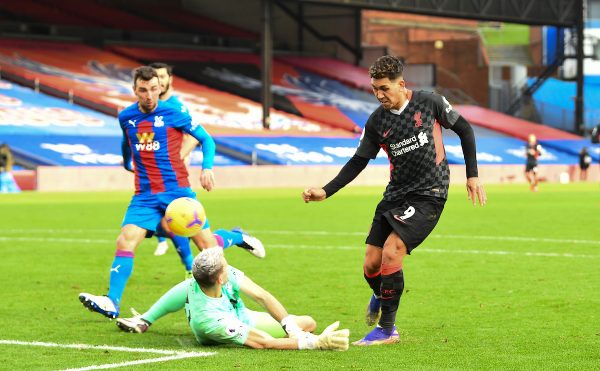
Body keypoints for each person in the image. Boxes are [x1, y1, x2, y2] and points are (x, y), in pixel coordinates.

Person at [302, 55, 486, 346]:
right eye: (375, 88)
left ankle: (388, 330)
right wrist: (327, 190)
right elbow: (358, 161)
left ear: (402, 84)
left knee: (392, 251)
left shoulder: (430, 103)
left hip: (430, 192)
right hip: (396, 194)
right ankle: (380, 295)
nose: (379, 95)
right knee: (371, 265)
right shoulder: (377, 121)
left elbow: (465, 130)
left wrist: (472, 175)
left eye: (385, 88)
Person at [79, 66, 261, 320]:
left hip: (177, 192)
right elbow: (126, 141)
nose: (149, 95)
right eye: (143, 90)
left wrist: (206, 168)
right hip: (144, 195)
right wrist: (125, 161)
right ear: (135, 90)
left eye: (154, 89)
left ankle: (236, 240)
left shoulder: (174, 113)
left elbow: (207, 139)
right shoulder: (126, 117)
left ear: (160, 88)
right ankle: (112, 301)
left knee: (208, 248)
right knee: (125, 239)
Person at [146, 62, 264, 268]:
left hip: (174, 179)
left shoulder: (175, 107)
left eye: (162, 77)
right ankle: (194, 266)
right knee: (167, 227)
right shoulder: (146, 110)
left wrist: (181, 156)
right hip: (154, 179)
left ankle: (233, 238)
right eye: (155, 77)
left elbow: (196, 137)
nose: (159, 81)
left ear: (169, 80)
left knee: (189, 232)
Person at [116, 247, 350, 351]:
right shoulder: (209, 320)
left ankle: (145, 320)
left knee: (306, 323)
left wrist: (291, 327)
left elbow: (262, 295)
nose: (230, 268)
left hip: (242, 314)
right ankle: (146, 319)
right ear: (219, 279)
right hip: (231, 325)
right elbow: (264, 343)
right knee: (279, 337)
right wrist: (315, 343)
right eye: (226, 267)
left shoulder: (205, 279)